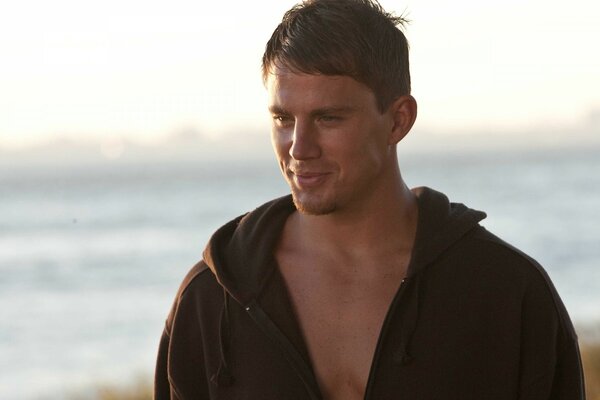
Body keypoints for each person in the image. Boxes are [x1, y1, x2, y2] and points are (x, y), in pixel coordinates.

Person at [154, 0, 585, 399]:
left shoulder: (506, 292)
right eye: (283, 118)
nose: (299, 148)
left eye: (328, 118)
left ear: (398, 120)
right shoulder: (212, 298)